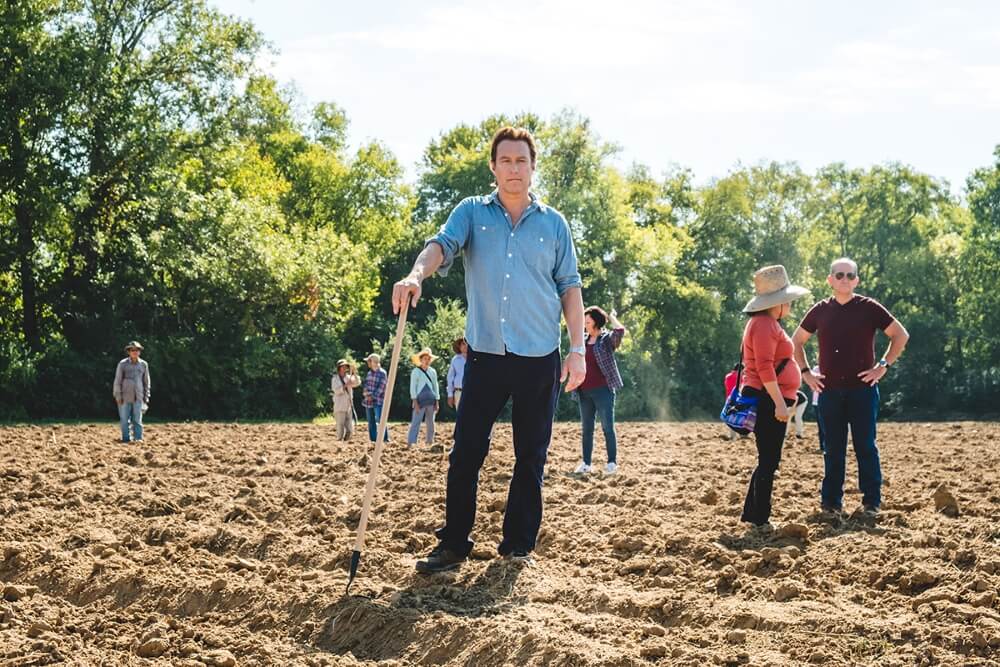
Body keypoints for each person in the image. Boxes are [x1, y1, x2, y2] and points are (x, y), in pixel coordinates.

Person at [392, 125, 585, 573]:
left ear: (533, 167)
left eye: (522, 160)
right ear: (493, 167)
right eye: (506, 161)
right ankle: (454, 543)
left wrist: (577, 349)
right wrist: (416, 276)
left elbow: (570, 289)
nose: (514, 169)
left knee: (530, 456)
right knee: (466, 452)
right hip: (484, 355)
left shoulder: (555, 224)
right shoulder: (471, 213)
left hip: (539, 357)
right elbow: (440, 246)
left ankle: (517, 548)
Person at [792, 257, 909, 517]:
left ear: (857, 280)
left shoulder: (869, 308)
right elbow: (796, 341)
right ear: (830, 280)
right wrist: (805, 373)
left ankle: (871, 503)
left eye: (850, 275)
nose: (845, 279)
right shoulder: (820, 310)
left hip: (863, 391)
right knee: (833, 449)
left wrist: (883, 366)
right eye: (839, 275)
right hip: (829, 391)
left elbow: (901, 335)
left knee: (865, 446)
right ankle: (831, 504)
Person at [738, 265, 810, 528]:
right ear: (776, 303)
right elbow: (765, 366)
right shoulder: (765, 324)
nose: (790, 304)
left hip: (773, 396)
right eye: (787, 300)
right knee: (769, 460)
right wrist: (780, 402)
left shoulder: (765, 323)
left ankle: (754, 513)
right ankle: (761, 518)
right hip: (770, 399)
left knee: (768, 459)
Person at [572, 306, 626, 475]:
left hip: (603, 391)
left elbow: (619, 331)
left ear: (596, 322)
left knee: (607, 427)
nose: (585, 324)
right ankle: (586, 464)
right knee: (587, 429)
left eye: (587, 321)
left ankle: (611, 463)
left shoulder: (606, 340)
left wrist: (612, 317)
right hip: (584, 392)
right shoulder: (581, 341)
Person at [113, 341, 151, 443]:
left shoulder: (144, 364)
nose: (135, 352)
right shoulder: (122, 364)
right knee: (124, 420)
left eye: (137, 350)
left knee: (137, 420)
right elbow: (117, 381)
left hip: (139, 396)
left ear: (140, 352)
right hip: (125, 396)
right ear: (129, 352)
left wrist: (146, 396)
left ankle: (138, 438)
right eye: (132, 350)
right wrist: (118, 396)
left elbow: (146, 382)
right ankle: (126, 439)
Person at [408, 348, 440, 446]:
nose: (426, 361)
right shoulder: (415, 372)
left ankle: (429, 441)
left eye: (428, 359)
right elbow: (413, 388)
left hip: (431, 400)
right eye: (425, 358)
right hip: (420, 401)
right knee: (416, 422)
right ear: (421, 360)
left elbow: (435, 386)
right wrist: (415, 402)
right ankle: (412, 442)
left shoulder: (433, 371)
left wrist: (437, 401)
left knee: (431, 423)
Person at [361, 353, 390, 443]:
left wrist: (372, 396)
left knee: (381, 420)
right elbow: (366, 385)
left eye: (369, 361)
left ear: (373, 362)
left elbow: (382, 387)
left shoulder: (382, 373)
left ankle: (384, 438)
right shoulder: (369, 373)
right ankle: (373, 439)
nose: (368, 363)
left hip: (379, 401)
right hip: (368, 401)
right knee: (371, 421)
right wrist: (365, 393)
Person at [331, 359, 360, 441]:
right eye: (342, 367)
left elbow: (357, 383)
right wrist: (345, 386)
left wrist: (354, 372)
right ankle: (339, 441)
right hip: (339, 405)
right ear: (339, 368)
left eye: (345, 367)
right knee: (340, 426)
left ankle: (347, 441)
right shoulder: (335, 379)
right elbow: (336, 391)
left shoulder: (349, 377)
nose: (344, 368)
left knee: (350, 427)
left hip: (348, 405)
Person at [447, 337, 468, 410]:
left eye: (467, 344)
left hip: (473, 391)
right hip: (459, 391)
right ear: (459, 346)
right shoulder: (455, 360)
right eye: (463, 344)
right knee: (460, 416)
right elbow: (450, 377)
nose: (466, 346)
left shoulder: (475, 359)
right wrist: (450, 395)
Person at [723, 363, 742, 441]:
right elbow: (742, 387)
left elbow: (727, 387)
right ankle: (742, 434)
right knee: (740, 417)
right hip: (738, 398)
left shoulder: (727, 376)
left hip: (729, 398)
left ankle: (732, 436)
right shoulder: (741, 377)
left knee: (731, 417)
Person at [810, 364, 825, 453]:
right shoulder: (815, 369)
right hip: (817, 401)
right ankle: (822, 446)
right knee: (821, 425)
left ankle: (827, 445)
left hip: (828, 399)